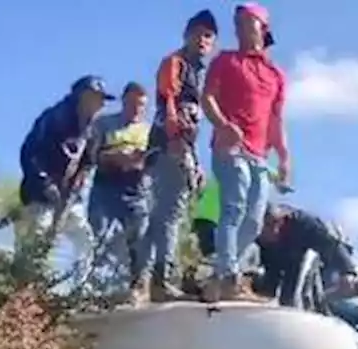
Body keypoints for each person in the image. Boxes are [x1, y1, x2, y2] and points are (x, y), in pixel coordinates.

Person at [201, 3, 291, 303]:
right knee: (233, 207)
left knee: (253, 221)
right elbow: (208, 99)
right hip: (229, 148)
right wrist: (223, 125)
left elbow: (276, 120)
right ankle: (229, 276)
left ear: (262, 29)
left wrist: (284, 157)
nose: (240, 28)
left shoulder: (276, 75)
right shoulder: (225, 61)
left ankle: (220, 274)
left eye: (246, 22)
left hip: (259, 155)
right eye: (237, 23)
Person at [132, 9, 218, 304]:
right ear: (187, 35)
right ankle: (162, 278)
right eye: (199, 33)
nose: (204, 40)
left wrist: (194, 158)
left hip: (181, 145)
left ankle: (142, 276)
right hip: (170, 144)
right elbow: (169, 101)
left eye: (209, 36)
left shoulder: (199, 71)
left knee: (165, 214)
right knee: (170, 213)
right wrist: (177, 143)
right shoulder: (176, 62)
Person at [16, 75, 114, 281]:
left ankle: (82, 287)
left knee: (84, 239)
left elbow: (88, 162)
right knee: (37, 237)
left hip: (69, 197)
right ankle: (24, 287)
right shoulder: (53, 118)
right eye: (97, 98)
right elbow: (29, 152)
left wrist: (78, 184)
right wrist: (43, 183)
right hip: (40, 194)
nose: (102, 104)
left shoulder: (93, 130)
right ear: (83, 96)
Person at [87, 82, 152, 301]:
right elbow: (91, 155)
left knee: (139, 237)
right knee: (99, 235)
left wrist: (140, 161)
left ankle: (139, 285)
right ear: (124, 101)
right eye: (132, 103)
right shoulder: (104, 124)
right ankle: (96, 288)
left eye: (141, 105)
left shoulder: (148, 131)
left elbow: (156, 161)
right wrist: (115, 157)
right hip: (106, 186)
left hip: (136, 189)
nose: (136, 109)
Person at [256, 202, 358, 319]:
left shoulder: (303, 223)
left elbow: (331, 245)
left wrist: (347, 272)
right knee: (277, 294)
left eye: (275, 224)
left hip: (314, 261)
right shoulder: (256, 236)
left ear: (282, 220)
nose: (273, 231)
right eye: (265, 227)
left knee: (323, 290)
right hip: (279, 261)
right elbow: (271, 273)